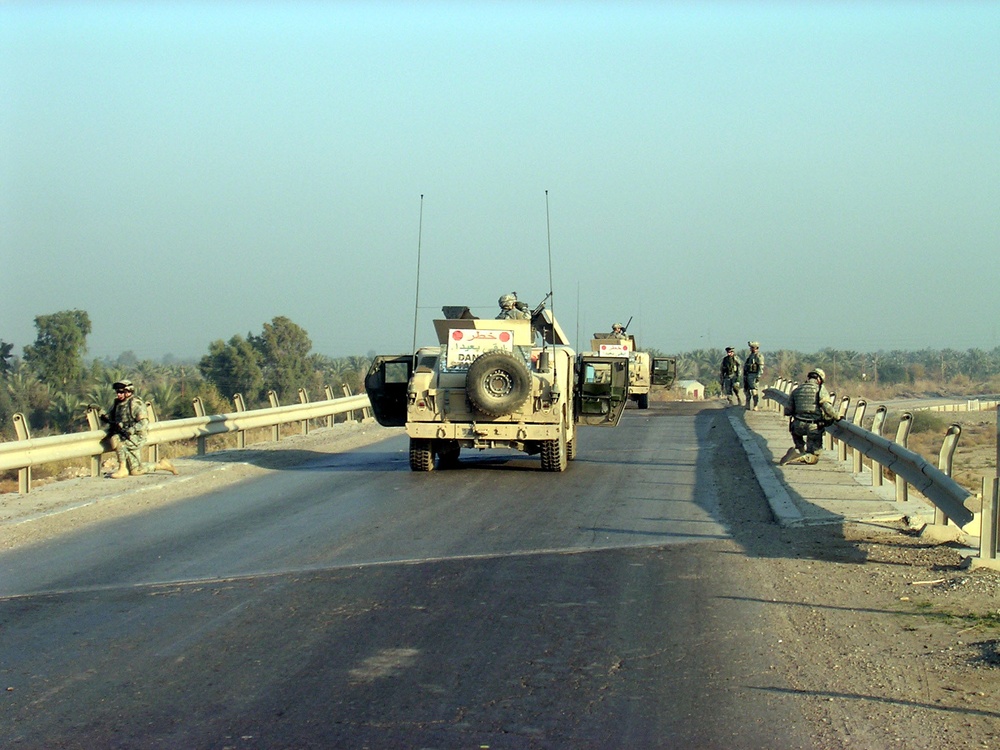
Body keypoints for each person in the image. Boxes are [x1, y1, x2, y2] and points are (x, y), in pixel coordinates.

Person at [100, 379, 178, 478]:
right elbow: (109, 416)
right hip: (126, 435)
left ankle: (122, 469)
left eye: (121, 392)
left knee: (117, 441)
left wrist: (131, 430)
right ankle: (162, 465)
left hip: (137, 436)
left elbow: (143, 423)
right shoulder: (117, 404)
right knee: (136, 470)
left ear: (128, 392)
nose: (118, 395)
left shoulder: (135, 403)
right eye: (117, 392)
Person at [780, 368, 840, 465]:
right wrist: (837, 416)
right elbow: (826, 407)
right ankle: (798, 456)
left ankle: (800, 452)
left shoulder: (797, 390)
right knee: (814, 457)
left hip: (797, 426)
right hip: (813, 427)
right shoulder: (819, 389)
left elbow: (788, 411)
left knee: (800, 442)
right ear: (819, 380)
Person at [743, 341, 765, 411]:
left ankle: (755, 405)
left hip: (754, 375)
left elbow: (761, 367)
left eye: (752, 348)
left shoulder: (758, 356)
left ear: (756, 348)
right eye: (751, 348)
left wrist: (758, 376)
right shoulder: (750, 356)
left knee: (753, 391)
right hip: (748, 375)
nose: (751, 349)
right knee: (747, 391)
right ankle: (747, 404)